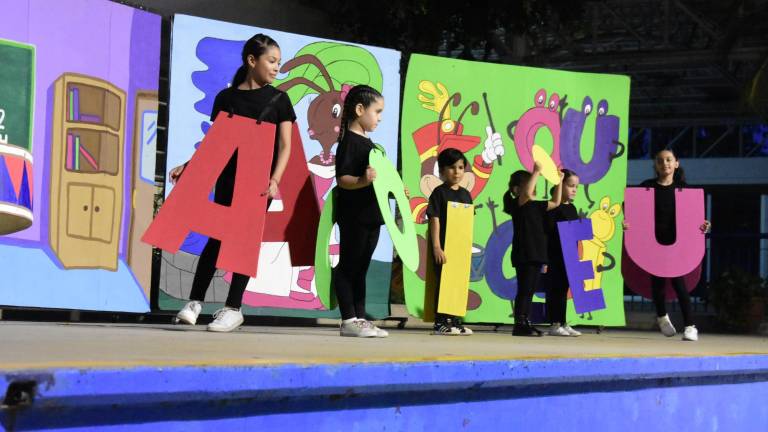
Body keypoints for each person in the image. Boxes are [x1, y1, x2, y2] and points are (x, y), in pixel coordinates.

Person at [172, 34, 296, 332]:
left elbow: (285, 147)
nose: (277, 67)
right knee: (216, 238)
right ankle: (194, 302)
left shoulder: (279, 100)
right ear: (252, 61)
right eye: (271, 60)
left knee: (243, 240)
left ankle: (233, 308)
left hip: (258, 182)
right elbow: (215, 143)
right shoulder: (226, 99)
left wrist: (275, 178)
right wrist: (189, 166)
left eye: (279, 61)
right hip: (227, 178)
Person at [333, 84, 393, 338]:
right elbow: (343, 178)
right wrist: (362, 181)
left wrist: (394, 190)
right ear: (360, 109)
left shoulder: (371, 145)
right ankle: (348, 319)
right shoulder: (349, 142)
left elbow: (380, 179)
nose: (379, 117)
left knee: (361, 268)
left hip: (372, 216)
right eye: (377, 111)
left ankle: (360, 318)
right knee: (348, 267)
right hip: (354, 215)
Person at [635, 148, 710, 341]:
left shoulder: (684, 190)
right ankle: (662, 316)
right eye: (660, 161)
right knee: (657, 283)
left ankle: (690, 326)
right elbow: (635, 212)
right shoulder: (647, 187)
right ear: (655, 165)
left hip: (676, 242)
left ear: (676, 163)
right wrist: (628, 224)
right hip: (653, 242)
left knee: (679, 284)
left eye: (669, 160)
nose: (665, 164)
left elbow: (693, 218)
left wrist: (703, 225)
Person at [503, 163, 564, 336]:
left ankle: (525, 321)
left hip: (537, 254)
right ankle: (520, 323)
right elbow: (527, 194)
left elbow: (556, 202)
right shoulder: (519, 205)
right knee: (524, 289)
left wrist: (559, 181)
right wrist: (536, 171)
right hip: (525, 254)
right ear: (516, 190)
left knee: (530, 290)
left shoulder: (537, 206)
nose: (534, 186)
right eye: (530, 183)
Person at [427, 148, 474, 336]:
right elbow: (434, 219)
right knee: (443, 283)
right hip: (444, 247)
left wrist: (467, 246)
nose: (457, 172)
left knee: (458, 284)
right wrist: (437, 246)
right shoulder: (439, 193)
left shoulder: (465, 194)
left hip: (460, 249)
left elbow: (467, 221)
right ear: (442, 170)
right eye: (452, 168)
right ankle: (440, 322)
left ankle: (455, 320)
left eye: (461, 167)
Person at [544, 169, 582, 337]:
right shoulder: (553, 207)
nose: (574, 189)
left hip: (570, 255)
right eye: (570, 185)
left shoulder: (572, 208)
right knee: (555, 289)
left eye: (576, 187)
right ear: (560, 184)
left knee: (564, 289)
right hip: (555, 255)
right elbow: (548, 231)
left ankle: (563, 322)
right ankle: (554, 324)